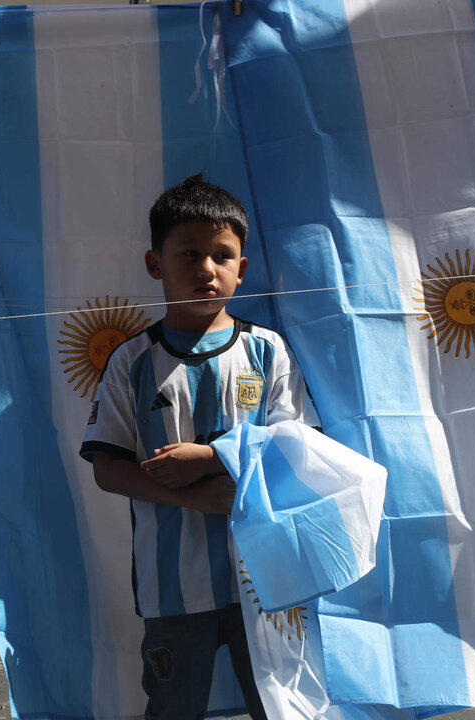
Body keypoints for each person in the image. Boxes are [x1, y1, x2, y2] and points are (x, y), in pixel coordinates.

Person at [79, 174, 318, 720]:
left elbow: (297, 444)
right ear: (154, 263)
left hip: (266, 584)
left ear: (242, 269)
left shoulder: (267, 351)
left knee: (281, 706)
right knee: (172, 707)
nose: (206, 268)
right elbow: (108, 468)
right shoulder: (132, 362)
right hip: (172, 591)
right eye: (189, 253)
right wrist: (193, 499)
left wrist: (212, 458)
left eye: (221, 255)